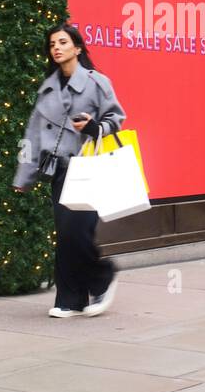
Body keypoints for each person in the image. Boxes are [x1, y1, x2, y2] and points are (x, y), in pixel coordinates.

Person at [12, 22, 126, 317]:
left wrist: (93, 126)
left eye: (62, 42)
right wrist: (24, 175)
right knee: (65, 234)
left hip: (87, 166)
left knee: (78, 232)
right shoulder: (47, 89)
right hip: (59, 171)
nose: (57, 48)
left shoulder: (96, 82)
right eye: (52, 44)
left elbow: (117, 117)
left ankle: (103, 275)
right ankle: (71, 300)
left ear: (77, 48)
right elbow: (33, 134)